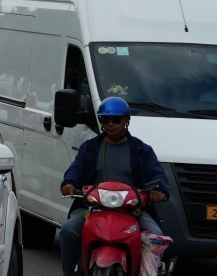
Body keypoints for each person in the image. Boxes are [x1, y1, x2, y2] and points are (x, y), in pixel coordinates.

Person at [58, 97, 168, 276]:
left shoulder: (142, 150)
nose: (110, 124)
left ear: (126, 120)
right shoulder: (90, 148)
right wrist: (69, 183)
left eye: (116, 119)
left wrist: (159, 190)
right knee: (68, 230)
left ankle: (147, 272)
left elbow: (157, 174)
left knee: (155, 237)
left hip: (134, 209)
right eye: (105, 119)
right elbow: (75, 169)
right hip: (93, 208)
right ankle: (71, 272)